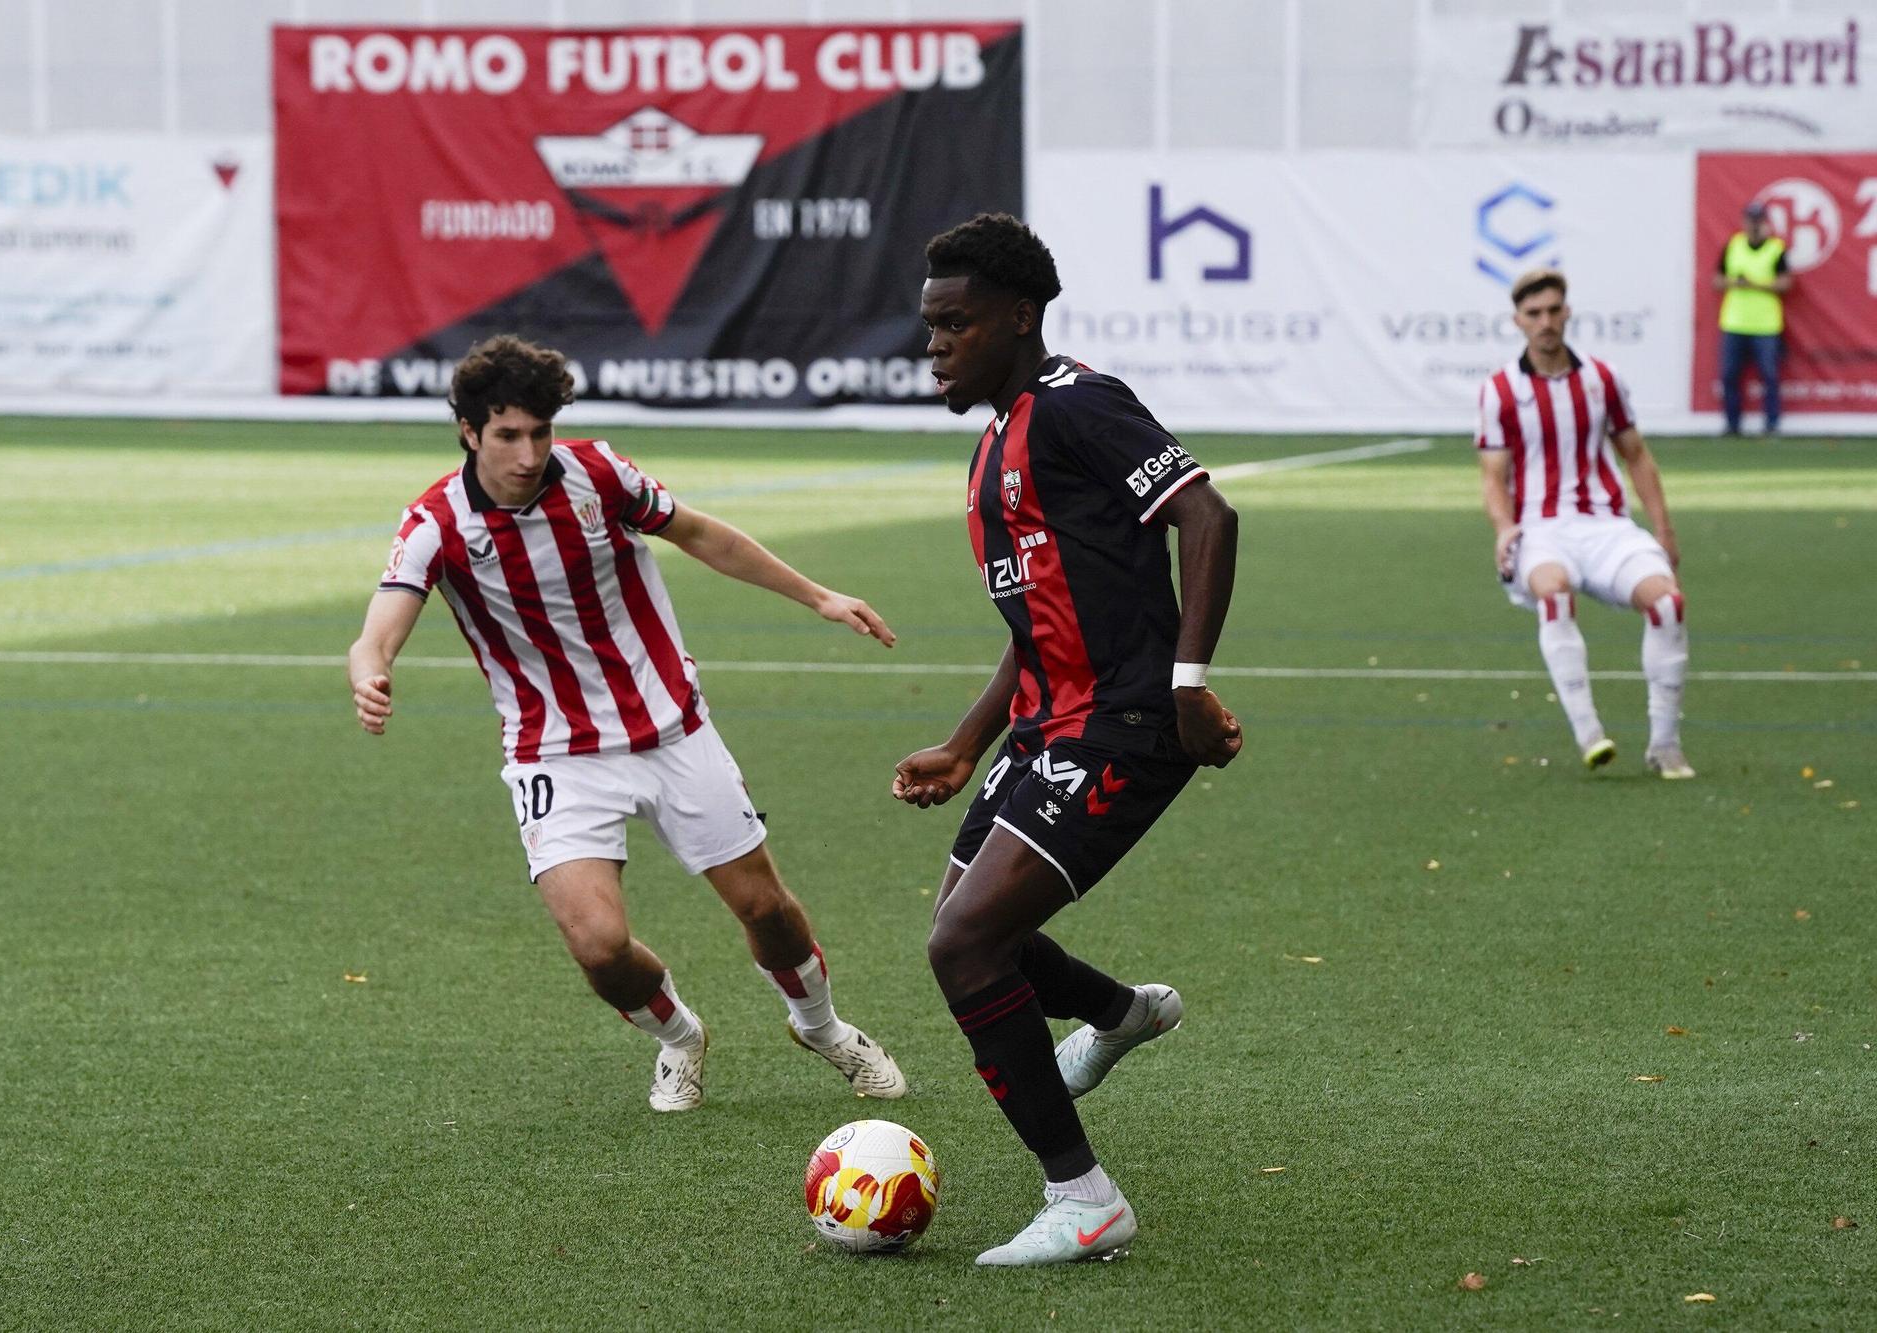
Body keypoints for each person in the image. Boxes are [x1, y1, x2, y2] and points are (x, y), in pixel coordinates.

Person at [348, 334, 906, 1112]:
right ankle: (680, 1035)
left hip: (672, 727)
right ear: (470, 432)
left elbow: (703, 534)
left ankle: (821, 1025)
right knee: (598, 947)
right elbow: (382, 622)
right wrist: (372, 668)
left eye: (540, 431)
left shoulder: (598, 473)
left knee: (766, 908)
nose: (529, 451)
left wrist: (817, 595)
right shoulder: (436, 523)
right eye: (508, 434)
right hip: (556, 753)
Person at [890, 213, 1243, 1266]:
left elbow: (1209, 517)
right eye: (928, 326)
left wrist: (1186, 686)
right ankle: (1118, 1012)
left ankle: (1082, 1197)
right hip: (1045, 725)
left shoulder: (1079, 406)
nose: (936, 343)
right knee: (966, 929)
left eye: (955, 324)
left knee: (962, 947)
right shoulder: (995, 440)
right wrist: (964, 743)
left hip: (1124, 725)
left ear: (1017, 319)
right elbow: (1035, 619)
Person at [1476, 269, 1694, 780]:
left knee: (1668, 603)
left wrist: (1664, 530)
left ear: (1567, 312)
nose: (1546, 322)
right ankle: (1590, 734)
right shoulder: (1500, 391)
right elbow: (1493, 477)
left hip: (1606, 526)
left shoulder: (1602, 379)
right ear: (1518, 321)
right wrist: (1504, 528)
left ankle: (1665, 745)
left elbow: (1636, 455)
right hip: (1540, 529)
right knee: (1554, 594)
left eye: (1553, 310)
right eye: (1534, 314)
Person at [1712, 200, 1792, 437]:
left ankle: (1772, 424)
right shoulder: (1734, 245)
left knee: (1769, 375)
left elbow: (1786, 283)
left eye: (1758, 220)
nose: (1754, 225)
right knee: (1729, 375)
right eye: (1751, 219)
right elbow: (1716, 280)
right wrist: (1735, 282)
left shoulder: (1776, 248)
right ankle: (1732, 424)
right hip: (1734, 321)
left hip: (1766, 324)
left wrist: (1755, 284)